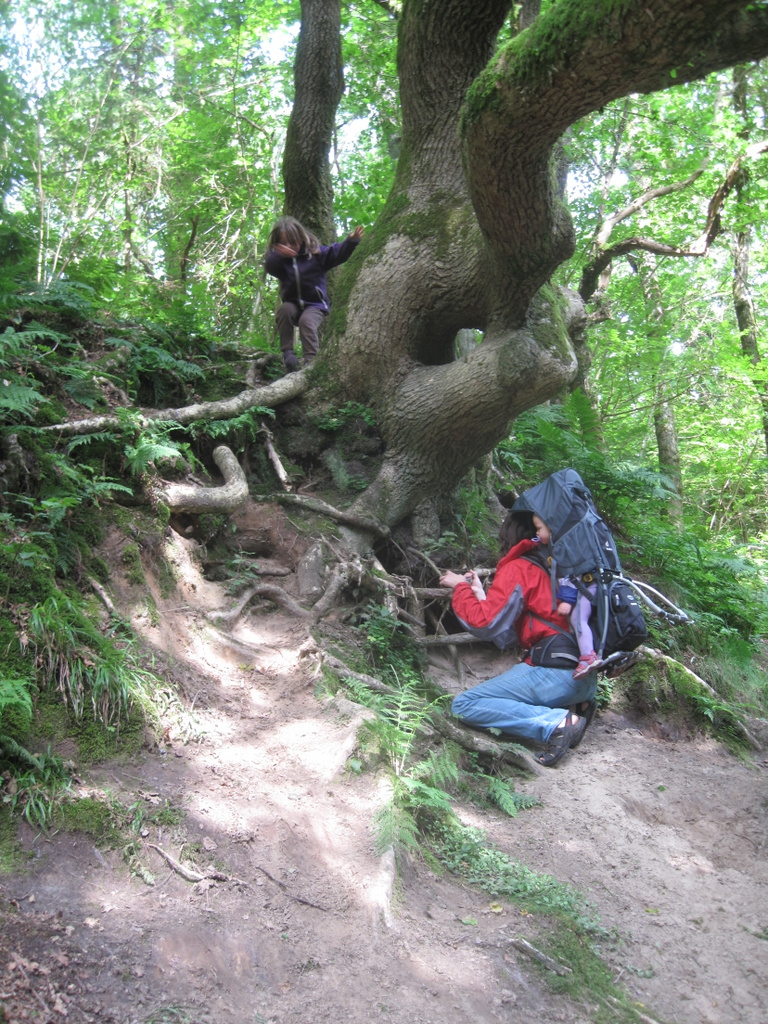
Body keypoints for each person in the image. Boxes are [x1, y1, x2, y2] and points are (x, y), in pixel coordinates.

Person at [439, 510, 598, 767]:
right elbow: (508, 633)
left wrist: (460, 587)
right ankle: (576, 707)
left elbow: (484, 623)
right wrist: (478, 593)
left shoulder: (519, 567)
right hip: (583, 678)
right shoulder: (554, 567)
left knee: (465, 704)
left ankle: (557, 722)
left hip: (554, 675)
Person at [264, 216, 365, 371]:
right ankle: (288, 355)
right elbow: (270, 267)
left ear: (301, 239)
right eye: (283, 244)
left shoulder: (316, 254)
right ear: (277, 245)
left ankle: (311, 361)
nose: (289, 247)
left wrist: (351, 241)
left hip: (315, 305)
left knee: (306, 321)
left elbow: (336, 253)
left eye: (293, 242)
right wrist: (278, 254)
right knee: (284, 310)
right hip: (292, 304)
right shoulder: (280, 262)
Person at [531, 513, 602, 679]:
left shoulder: (564, 548)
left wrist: (568, 601)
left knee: (577, 618)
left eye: (539, 529)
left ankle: (588, 656)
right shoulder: (555, 547)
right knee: (578, 620)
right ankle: (589, 653)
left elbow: (571, 575)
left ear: (551, 529)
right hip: (585, 587)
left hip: (588, 586)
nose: (537, 533)